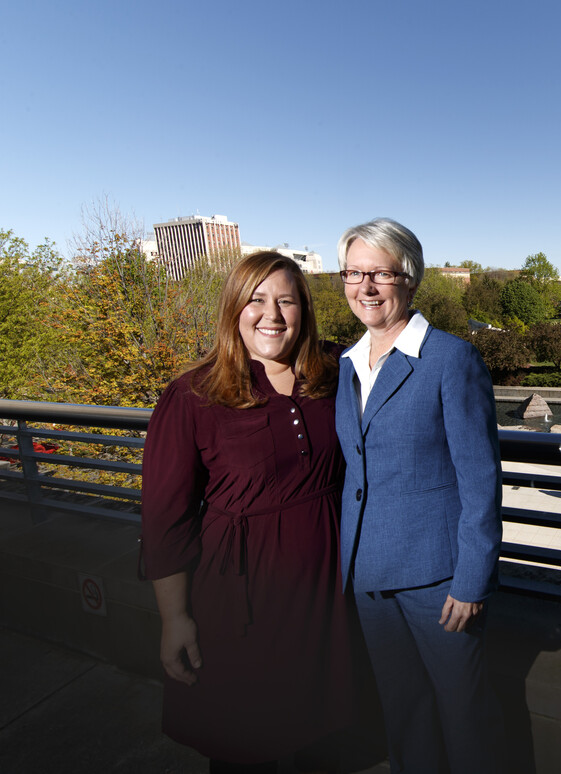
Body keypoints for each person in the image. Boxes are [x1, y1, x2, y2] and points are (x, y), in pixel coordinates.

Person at [141, 252, 354, 773]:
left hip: (326, 593)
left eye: (286, 300)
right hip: (242, 598)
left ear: (305, 308)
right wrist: (174, 619)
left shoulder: (337, 372)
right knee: (245, 746)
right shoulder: (192, 395)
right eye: (256, 300)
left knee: (322, 738)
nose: (272, 315)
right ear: (234, 309)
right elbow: (165, 520)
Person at [335, 218, 503, 774]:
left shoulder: (451, 360)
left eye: (380, 273)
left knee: (466, 718)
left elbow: (480, 478)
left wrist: (472, 578)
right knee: (403, 714)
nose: (366, 286)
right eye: (355, 272)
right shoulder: (346, 365)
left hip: (439, 582)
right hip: (368, 577)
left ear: (409, 278)